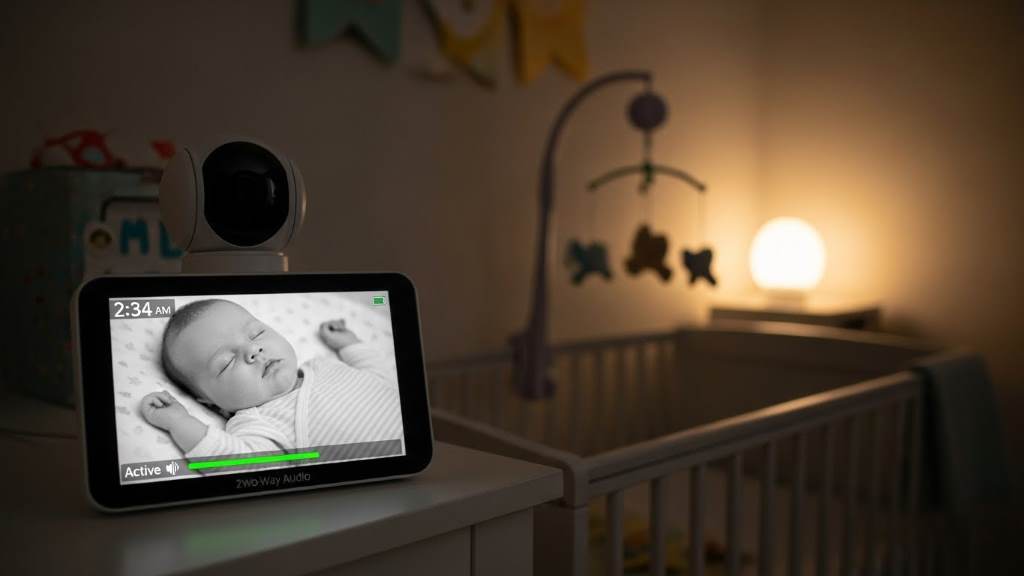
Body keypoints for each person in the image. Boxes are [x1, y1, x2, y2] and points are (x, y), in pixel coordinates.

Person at [140, 299, 402, 459]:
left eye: (256, 333)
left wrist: (350, 344)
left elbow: (379, 376)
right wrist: (179, 422)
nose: (253, 350)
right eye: (227, 362)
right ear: (209, 403)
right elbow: (236, 462)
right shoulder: (260, 423)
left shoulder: (324, 364)